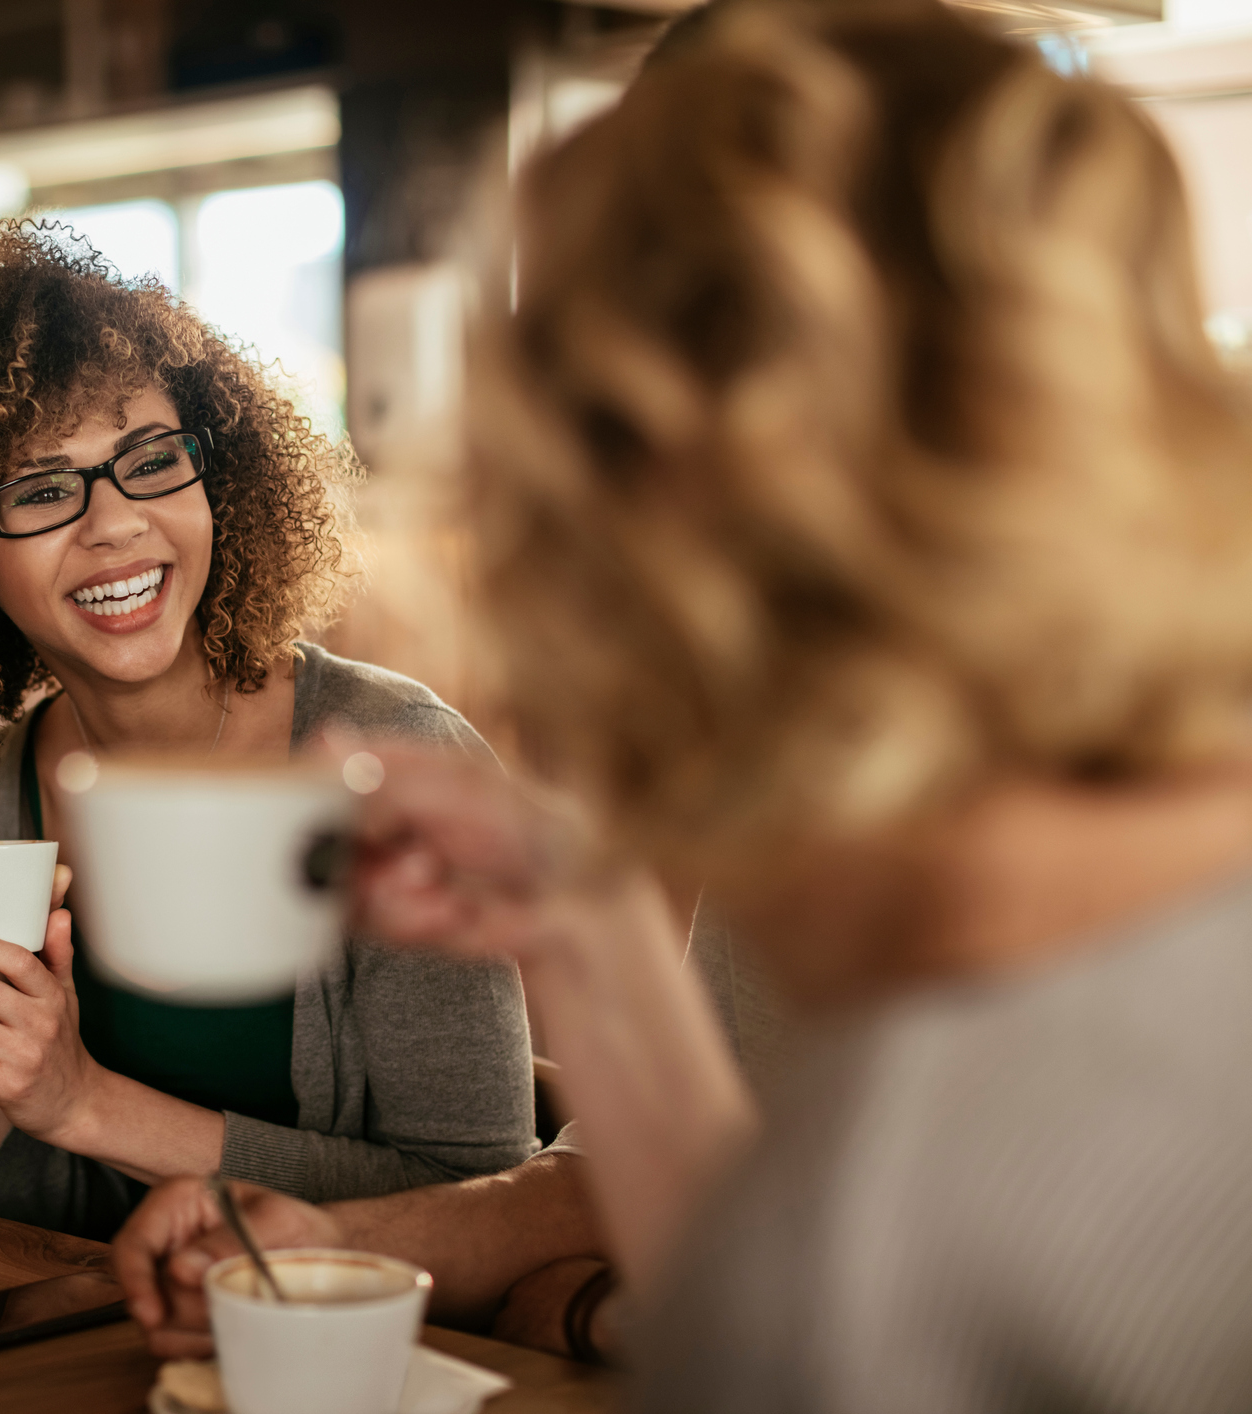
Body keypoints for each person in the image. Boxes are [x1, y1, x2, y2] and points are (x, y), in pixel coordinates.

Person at [116, 1, 1252, 1405]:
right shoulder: (892, 821)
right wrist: (372, 1231)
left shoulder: (1016, 1089)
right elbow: (771, 1224)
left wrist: (591, 1308)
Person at [0, 223, 548, 1242]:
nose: (116, 524)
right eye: (42, 490)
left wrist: (83, 1100)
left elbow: (481, 1200)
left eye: (150, 459)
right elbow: (35, 1219)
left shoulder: (399, 758)